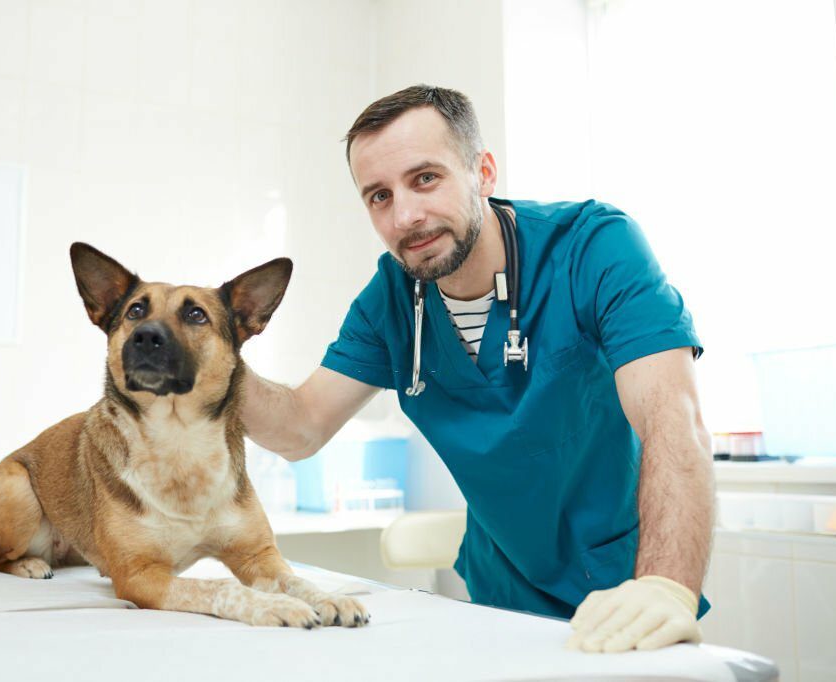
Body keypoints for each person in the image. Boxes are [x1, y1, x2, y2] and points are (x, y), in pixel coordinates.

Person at [240, 85, 714, 653]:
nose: (406, 216)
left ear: (483, 172)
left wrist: (665, 585)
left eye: (425, 179)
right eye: (379, 197)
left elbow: (673, 419)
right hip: (493, 598)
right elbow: (300, 427)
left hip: (625, 596)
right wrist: (204, 361)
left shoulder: (593, 249)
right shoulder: (391, 299)